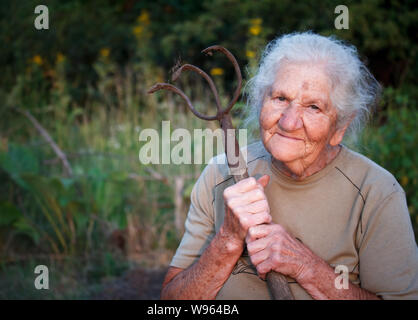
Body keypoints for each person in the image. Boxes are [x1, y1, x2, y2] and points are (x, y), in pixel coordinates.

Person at [161, 32, 418, 299]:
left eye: (314, 107)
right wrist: (228, 239)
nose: (289, 122)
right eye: (281, 98)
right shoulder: (219, 173)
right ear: (262, 100)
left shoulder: (376, 193)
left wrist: (306, 267)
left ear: (340, 127)